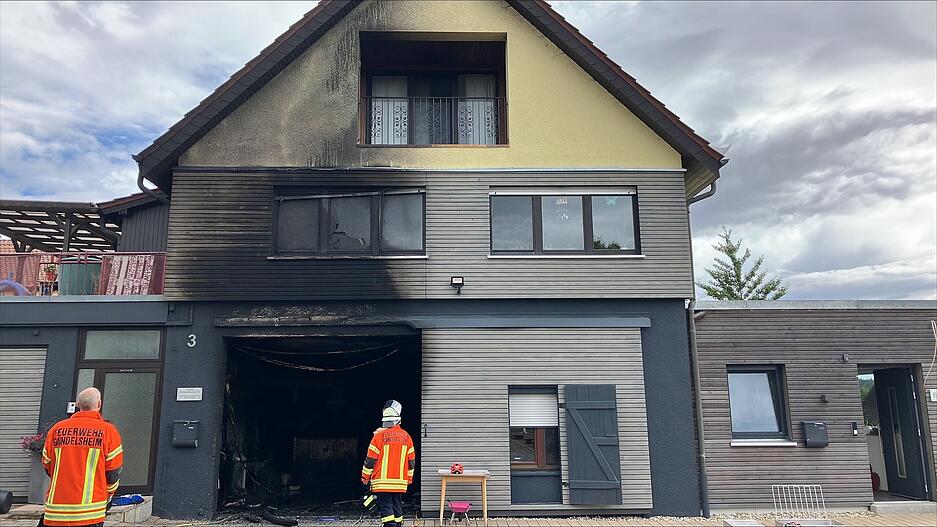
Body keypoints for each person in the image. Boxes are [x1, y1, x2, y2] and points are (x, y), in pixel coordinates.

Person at [40, 388, 123, 527]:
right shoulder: (108, 431)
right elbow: (113, 472)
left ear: (78, 404)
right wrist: (108, 494)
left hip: (56, 511)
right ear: (99, 404)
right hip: (90, 513)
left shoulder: (56, 429)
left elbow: (47, 465)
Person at [361, 400, 416, 527]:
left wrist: (365, 479)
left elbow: (370, 460)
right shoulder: (406, 437)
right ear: (398, 420)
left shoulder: (378, 437)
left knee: (386, 510)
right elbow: (411, 462)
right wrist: (408, 479)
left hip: (382, 482)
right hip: (400, 483)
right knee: (397, 506)